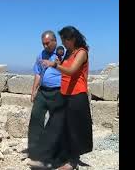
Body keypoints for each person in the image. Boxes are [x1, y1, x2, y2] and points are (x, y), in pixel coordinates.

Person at [41, 26, 93, 170]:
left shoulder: (81, 52)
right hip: (64, 94)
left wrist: (55, 65)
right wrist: (59, 62)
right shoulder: (68, 53)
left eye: (65, 39)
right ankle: (58, 155)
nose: (63, 43)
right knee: (58, 125)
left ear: (73, 38)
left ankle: (72, 162)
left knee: (74, 129)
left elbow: (71, 71)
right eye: (62, 40)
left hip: (77, 95)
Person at [27, 30, 66, 168]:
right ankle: (35, 151)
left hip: (58, 92)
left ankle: (56, 153)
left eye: (47, 43)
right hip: (43, 92)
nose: (45, 46)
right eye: (43, 44)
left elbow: (71, 71)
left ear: (55, 41)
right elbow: (38, 73)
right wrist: (33, 91)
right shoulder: (41, 54)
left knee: (56, 123)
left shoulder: (63, 53)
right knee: (36, 118)